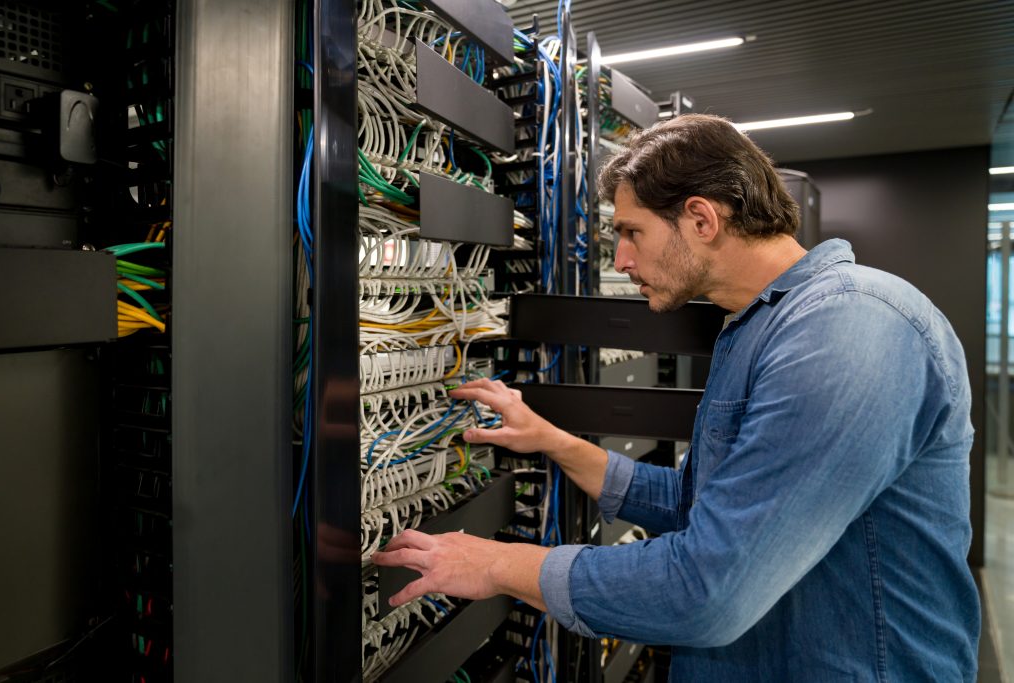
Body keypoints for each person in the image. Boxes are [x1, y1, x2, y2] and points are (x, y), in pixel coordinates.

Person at [372, 114, 980, 681]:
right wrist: (550, 440)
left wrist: (498, 564)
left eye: (632, 232)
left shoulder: (849, 327)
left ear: (701, 220)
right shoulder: (757, 326)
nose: (621, 259)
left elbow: (711, 590)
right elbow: (700, 505)